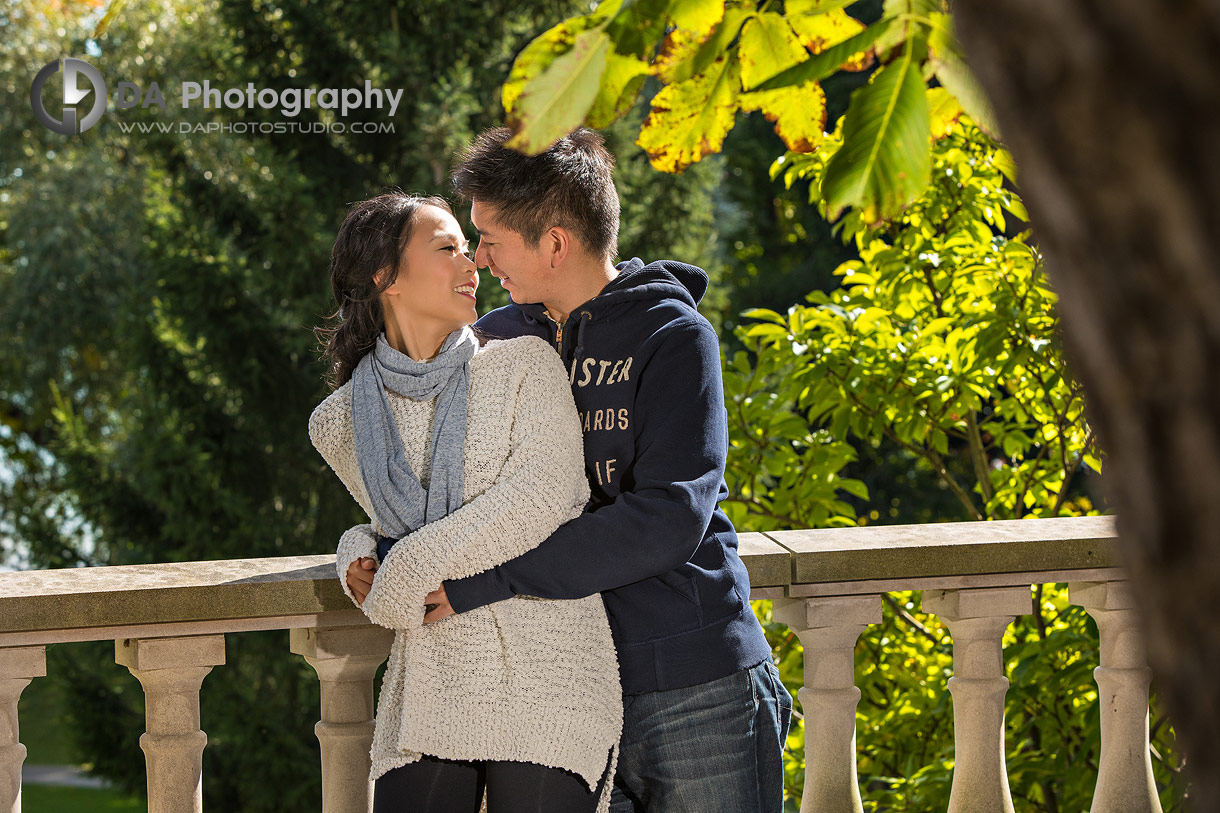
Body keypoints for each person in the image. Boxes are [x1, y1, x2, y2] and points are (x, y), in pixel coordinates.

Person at [423, 128, 793, 812]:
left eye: (494, 237)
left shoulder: (675, 338)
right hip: (566, 694)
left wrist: (495, 579)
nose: (481, 258)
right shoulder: (498, 346)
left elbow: (667, 519)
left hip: (695, 681)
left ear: (556, 243)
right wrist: (392, 554)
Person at [308, 192, 621, 813]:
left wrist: (406, 567)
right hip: (434, 673)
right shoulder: (341, 421)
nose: (470, 264)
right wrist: (358, 550)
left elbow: (546, 495)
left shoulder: (523, 365)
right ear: (386, 278)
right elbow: (395, 523)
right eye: (447, 248)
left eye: (468, 249)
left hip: (547, 665)